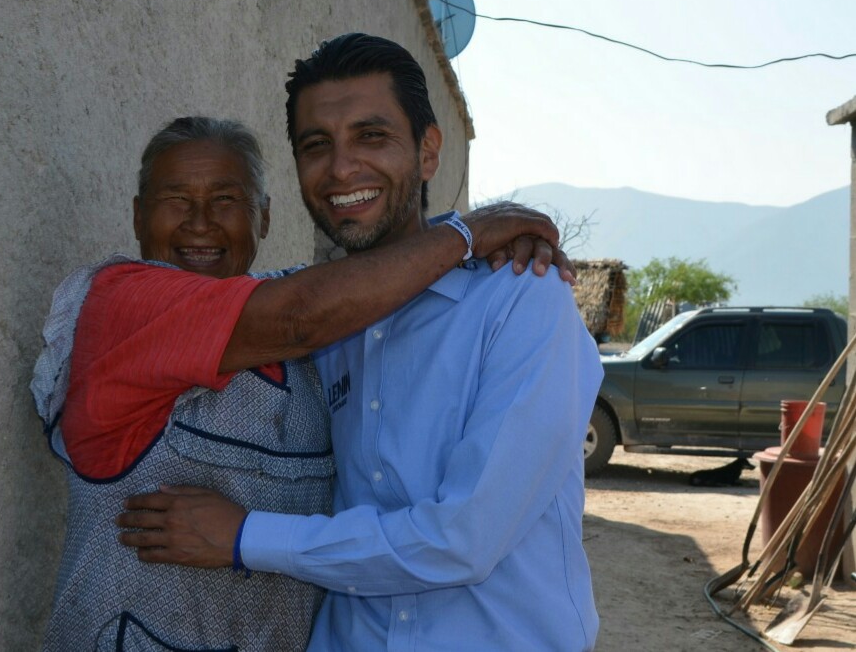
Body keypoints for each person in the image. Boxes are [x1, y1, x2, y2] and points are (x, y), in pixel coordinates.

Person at [118, 34, 603, 651]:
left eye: (371, 136)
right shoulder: (314, 316)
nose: (342, 168)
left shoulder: (520, 299)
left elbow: (464, 538)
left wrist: (244, 536)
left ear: (429, 152)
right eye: (316, 145)